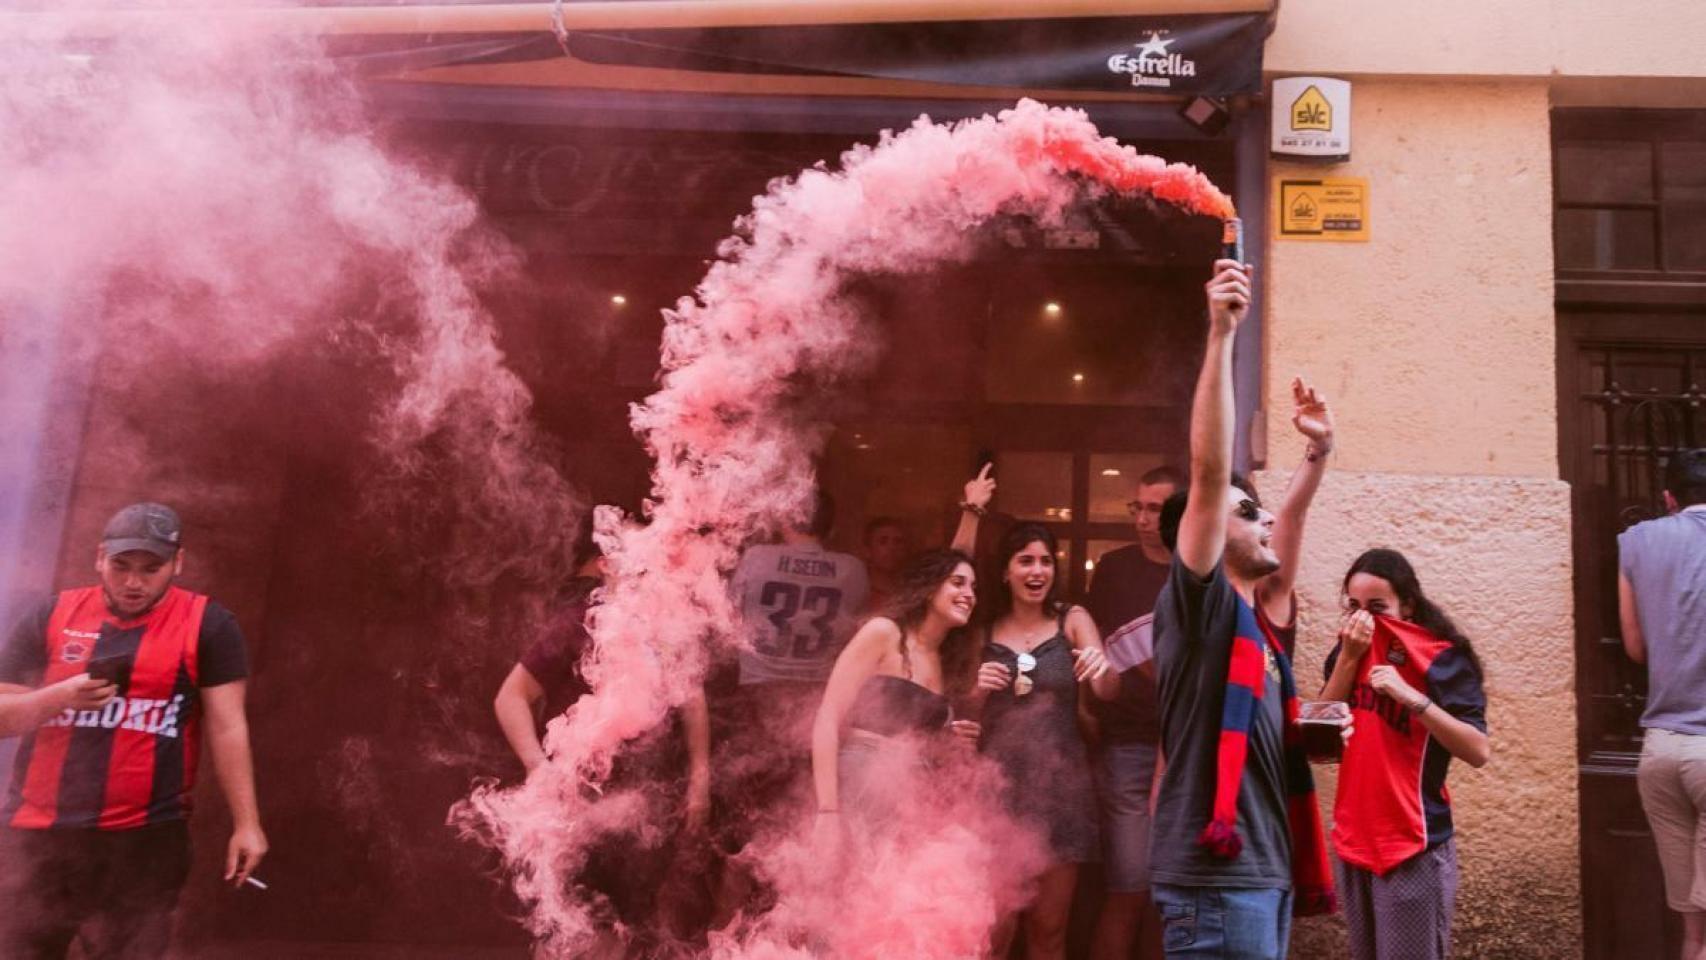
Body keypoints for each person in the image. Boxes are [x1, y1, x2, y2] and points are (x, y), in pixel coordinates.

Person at [1149, 258, 1341, 960]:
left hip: (1259, 875)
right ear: (1197, 539)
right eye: (1247, 512)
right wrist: (1222, 333)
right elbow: (1207, 475)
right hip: (1216, 883)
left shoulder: (1256, 622)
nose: (1265, 523)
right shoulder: (1203, 612)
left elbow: (1286, 521)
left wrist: (1318, 453)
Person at [0, 502, 265, 960]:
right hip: (38, 834)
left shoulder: (209, 624)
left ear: (177, 563)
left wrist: (247, 824)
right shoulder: (52, 614)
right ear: (100, 557)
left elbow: (228, 728)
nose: (134, 582)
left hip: (144, 841)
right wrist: (59, 697)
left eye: (151, 568)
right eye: (121, 566)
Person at [959, 520, 1118, 960]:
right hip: (997, 793)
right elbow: (964, 721)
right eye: (1025, 560)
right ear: (1006, 572)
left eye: (1045, 561)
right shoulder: (984, 631)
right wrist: (976, 690)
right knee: (994, 928)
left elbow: (1108, 691)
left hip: (1060, 793)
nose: (1037, 571)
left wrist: (1100, 666)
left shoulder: (1073, 619)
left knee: (1049, 930)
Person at [707, 489, 869, 918]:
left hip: (756, 708)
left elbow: (724, 621)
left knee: (741, 847)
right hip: (815, 714)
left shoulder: (756, 559)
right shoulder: (852, 570)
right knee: (799, 842)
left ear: (785, 517)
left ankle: (726, 942)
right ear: (830, 525)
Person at [1320, 549, 1490, 960]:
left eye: (1378, 608)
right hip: (1354, 837)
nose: (1365, 621)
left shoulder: (1441, 657)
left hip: (1413, 842)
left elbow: (1478, 750)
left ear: (1407, 605)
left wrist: (1413, 698)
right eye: (1354, 607)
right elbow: (1319, 742)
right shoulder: (1346, 651)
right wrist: (1348, 658)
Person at [810, 549, 981, 834]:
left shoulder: (946, 659)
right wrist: (827, 811)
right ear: (929, 589)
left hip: (913, 795)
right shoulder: (884, 632)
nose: (969, 594)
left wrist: (952, 740)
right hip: (863, 783)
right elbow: (827, 716)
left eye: (974, 587)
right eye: (958, 582)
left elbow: (922, 744)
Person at [1085, 464, 1183, 960]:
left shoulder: (1198, 573)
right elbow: (1091, 647)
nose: (1143, 519)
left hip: (1188, 755)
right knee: (1126, 888)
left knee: (1170, 899)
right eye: (1137, 508)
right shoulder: (1114, 569)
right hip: (1127, 746)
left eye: (1155, 509)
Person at [1619, 447, 1706, 960]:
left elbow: (1636, 648)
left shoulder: (1638, 541)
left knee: (1693, 936)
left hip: (1661, 752)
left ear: (1669, 498)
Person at [861, 516, 912, 612]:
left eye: (898, 541)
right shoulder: (858, 592)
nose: (892, 548)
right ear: (867, 550)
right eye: (883, 541)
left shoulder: (911, 596)